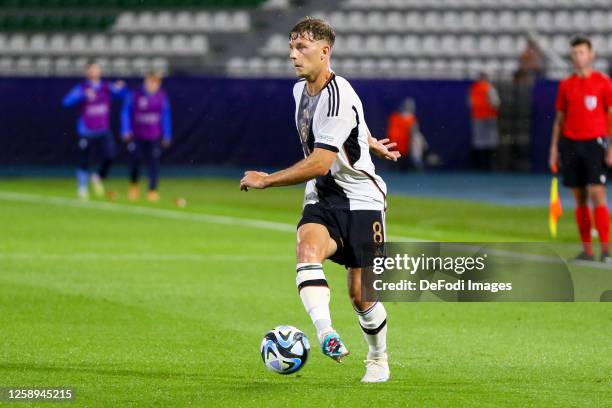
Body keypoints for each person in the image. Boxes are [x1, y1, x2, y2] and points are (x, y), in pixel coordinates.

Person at [239, 17, 400, 382]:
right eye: (292, 47)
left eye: (302, 48)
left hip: (362, 199)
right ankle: (326, 333)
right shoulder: (300, 91)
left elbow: (320, 161)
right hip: (324, 195)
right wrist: (368, 141)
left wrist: (266, 180)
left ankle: (378, 357)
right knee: (306, 249)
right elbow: (342, 127)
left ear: (325, 51)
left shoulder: (338, 93)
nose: (293, 55)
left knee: (361, 295)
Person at [549, 35, 612, 262]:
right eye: (575, 53)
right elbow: (560, 118)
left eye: (582, 52)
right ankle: (587, 250)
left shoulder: (603, 82)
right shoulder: (566, 85)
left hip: (595, 143)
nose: (578, 56)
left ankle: (606, 250)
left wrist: (611, 146)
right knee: (580, 197)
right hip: (571, 143)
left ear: (591, 54)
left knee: (598, 193)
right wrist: (554, 148)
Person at [62, 61, 126, 199]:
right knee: (85, 159)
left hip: (103, 129)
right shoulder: (82, 88)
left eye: (97, 69)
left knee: (110, 155)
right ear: (87, 72)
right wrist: (81, 96)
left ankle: (98, 176)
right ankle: (82, 187)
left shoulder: (106, 87)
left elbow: (124, 95)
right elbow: (66, 102)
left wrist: (121, 88)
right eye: (92, 69)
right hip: (86, 130)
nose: (95, 71)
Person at [121, 72, 172, 202]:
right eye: (150, 81)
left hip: (153, 136)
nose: (152, 85)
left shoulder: (161, 96)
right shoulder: (135, 95)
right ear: (145, 82)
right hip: (137, 135)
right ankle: (134, 185)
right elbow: (125, 111)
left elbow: (165, 116)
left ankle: (152, 190)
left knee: (154, 163)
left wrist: (167, 134)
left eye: (156, 82)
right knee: (136, 160)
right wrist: (126, 129)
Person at [468, 72, 500, 170]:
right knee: (490, 140)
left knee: (479, 140)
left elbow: (470, 103)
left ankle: (480, 165)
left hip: (477, 117)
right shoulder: (488, 87)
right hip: (489, 117)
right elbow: (496, 102)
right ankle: (489, 165)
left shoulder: (474, 88)